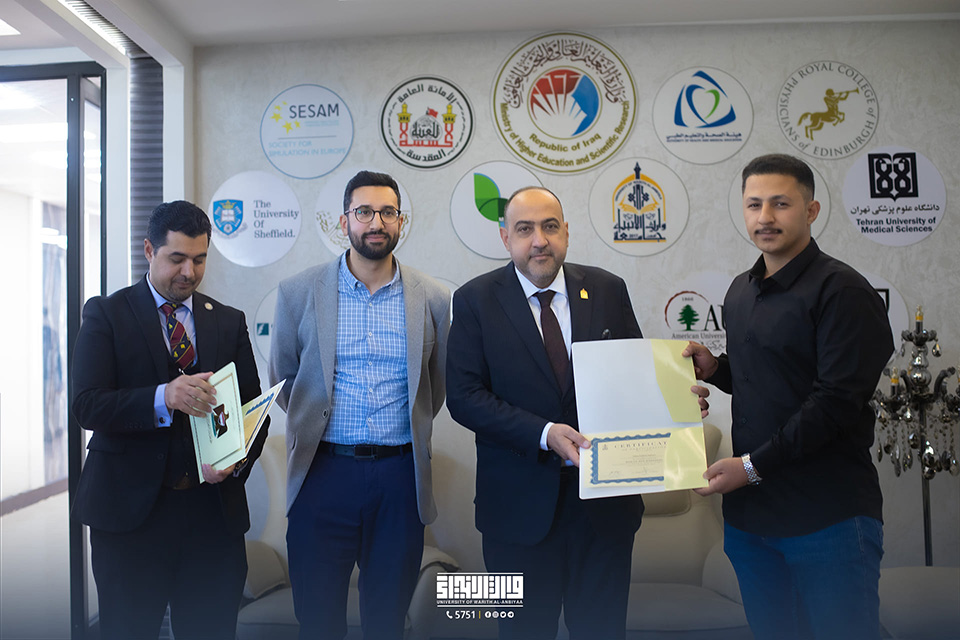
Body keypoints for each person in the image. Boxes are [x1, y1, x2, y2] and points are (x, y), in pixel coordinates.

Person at [446, 186, 708, 640]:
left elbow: (634, 378)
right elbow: (464, 397)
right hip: (516, 512)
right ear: (505, 237)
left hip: (604, 514)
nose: (539, 240)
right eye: (525, 229)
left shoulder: (607, 289)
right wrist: (544, 432)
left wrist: (677, 405)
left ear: (566, 231)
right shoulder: (474, 300)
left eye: (550, 226)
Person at [683, 153, 894, 640]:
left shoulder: (843, 291)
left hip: (827, 517)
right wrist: (717, 369)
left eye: (781, 204)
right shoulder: (741, 290)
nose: (765, 217)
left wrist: (750, 466)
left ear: (811, 210)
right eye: (754, 204)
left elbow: (834, 403)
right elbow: (769, 376)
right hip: (751, 520)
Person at [72, 200, 268, 640]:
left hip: (212, 519)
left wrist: (235, 460)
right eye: (177, 258)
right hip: (129, 520)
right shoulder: (106, 314)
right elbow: (87, 405)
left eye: (199, 259)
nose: (189, 272)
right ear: (149, 250)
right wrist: (164, 397)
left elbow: (252, 413)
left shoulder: (229, 321)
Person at [269, 170, 450, 640]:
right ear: (344, 221)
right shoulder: (298, 292)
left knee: (387, 619)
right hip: (322, 473)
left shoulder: (433, 298)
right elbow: (285, 381)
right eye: (364, 212)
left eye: (388, 212)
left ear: (401, 221)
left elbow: (435, 386)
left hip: (399, 478)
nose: (376, 222)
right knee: (318, 620)